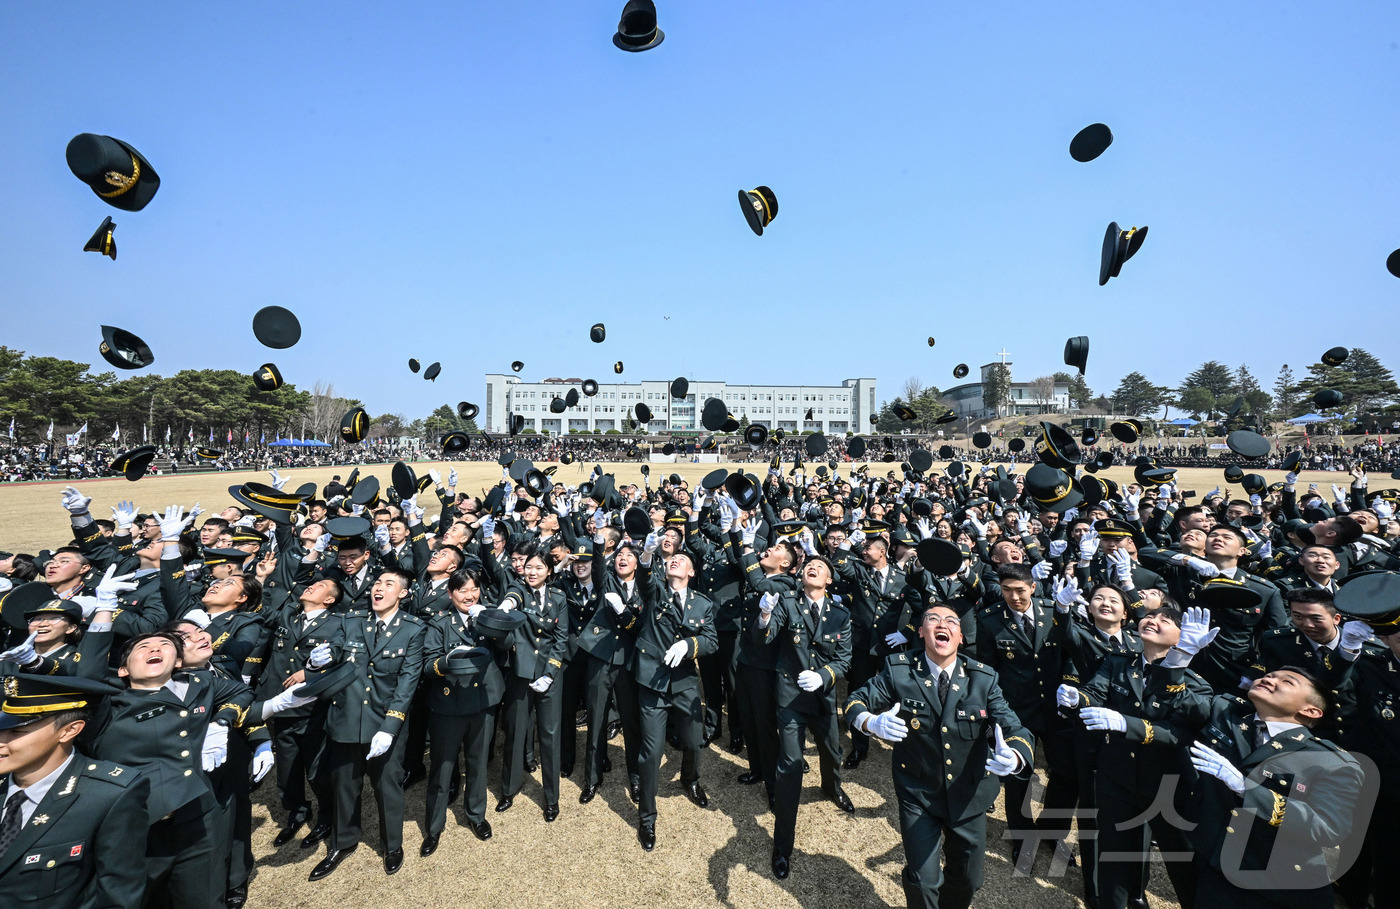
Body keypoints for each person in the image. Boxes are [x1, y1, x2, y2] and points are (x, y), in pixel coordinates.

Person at [845, 602, 1035, 909]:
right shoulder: (899, 669)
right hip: (919, 793)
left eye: (951, 621)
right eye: (933, 620)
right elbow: (855, 700)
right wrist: (870, 722)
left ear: (960, 636)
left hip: (970, 793)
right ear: (921, 633)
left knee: (969, 880)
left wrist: (1014, 755)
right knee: (923, 880)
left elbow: (1013, 726)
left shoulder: (983, 678)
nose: (942, 624)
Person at [0, 672, 150, 908]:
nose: (2, 739)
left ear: (69, 730)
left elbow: (117, 897)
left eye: (16, 732)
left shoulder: (107, 795)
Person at [314, 567, 426, 880]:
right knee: (344, 786)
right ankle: (342, 841)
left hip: (384, 723)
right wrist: (319, 658)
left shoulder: (413, 629)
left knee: (387, 786)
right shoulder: (351, 621)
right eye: (377, 582)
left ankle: (392, 845)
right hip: (346, 718)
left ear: (403, 594)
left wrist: (390, 728)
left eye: (389, 584)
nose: (379, 588)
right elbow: (335, 649)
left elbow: (407, 682)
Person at [755, 553, 854, 879]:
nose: (813, 567)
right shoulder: (787, 603)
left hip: (822, 697)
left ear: (828, 580)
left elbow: (844, 660)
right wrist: (765, 617)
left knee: (832, 751)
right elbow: (767, 638)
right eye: (809, 565)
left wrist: (825, 676)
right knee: (791, 767)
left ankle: (832, 787)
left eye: (821, 567)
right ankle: (782, 847)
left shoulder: (840, 614)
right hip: (791, 697)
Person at [625, 535, 717, 851]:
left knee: (694, 741)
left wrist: (689, 645)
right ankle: (647, 819)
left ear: (691, 571)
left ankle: (690, 780)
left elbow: (711, 641)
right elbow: (645, 577)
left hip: (685, 684)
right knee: (650, 753)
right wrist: (648, 554)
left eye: (681, 559)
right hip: (652, 681)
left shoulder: (703, 603)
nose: (674, 560)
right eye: (671, 560)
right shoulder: (656, 591)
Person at [419, 568, 517, 852]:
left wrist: (490, 623)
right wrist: (448, 661)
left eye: (473, 589)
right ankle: (434, 827)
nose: (469, 595)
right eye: (462, 590)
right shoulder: (440, 623)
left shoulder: (485, 617)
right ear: (450, 594)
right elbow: (428, 665)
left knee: (477, 763)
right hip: (448, 705)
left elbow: (507, 645)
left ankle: (476, 815)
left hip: (482, 702)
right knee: (442, 768)